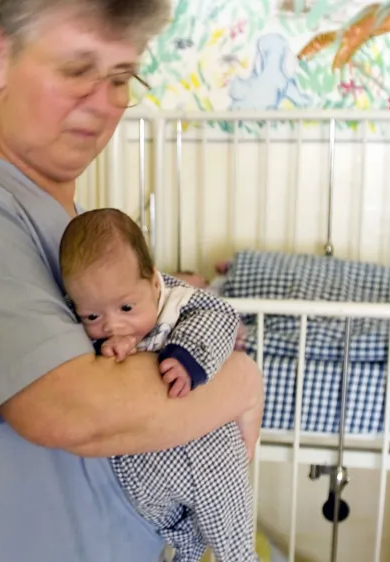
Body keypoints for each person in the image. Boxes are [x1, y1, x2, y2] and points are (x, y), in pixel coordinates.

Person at [0, 0, 265, 560]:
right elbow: (73, 408)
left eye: (121, 77)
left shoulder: (69, 227)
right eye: (77, 69)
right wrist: (240, 381)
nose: (103, 102)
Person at [59, 207, 259, 562]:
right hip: (147, 466)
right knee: (179, 539)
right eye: (93, 316)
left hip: (209, 450)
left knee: (232, 538)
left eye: (125, 307)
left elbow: (220, 317)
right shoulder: (96, 337)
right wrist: (107, 352)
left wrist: (187, 357)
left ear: (153, 283)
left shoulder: (178, 303)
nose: (112, 325)